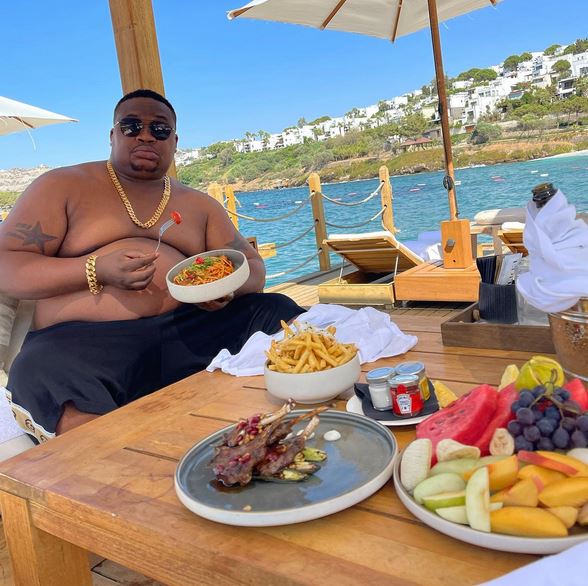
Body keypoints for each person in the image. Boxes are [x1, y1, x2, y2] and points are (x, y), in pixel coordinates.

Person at [0, 89, 303, 442]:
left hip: (189, 330)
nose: (146, 135)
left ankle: (317, 397)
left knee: (273, 309)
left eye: (159, 129)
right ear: (112, 135)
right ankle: (116, 458)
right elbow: (7, 263)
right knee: (39, 368)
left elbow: (252, 266)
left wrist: (226, 288)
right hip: (86, 343)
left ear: (174, 141)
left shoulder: (199, 205)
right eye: (132, 126)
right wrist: (95, 269)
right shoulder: (63, 186)